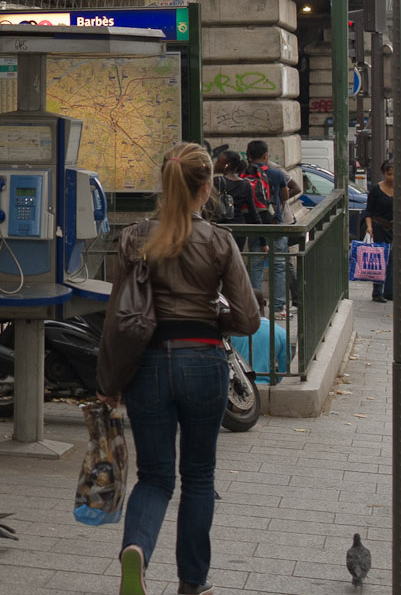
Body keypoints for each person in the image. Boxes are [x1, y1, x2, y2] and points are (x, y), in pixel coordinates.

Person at [96, 142, 258, 595]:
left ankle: (137, 551)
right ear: (205, 188)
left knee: (155, 477)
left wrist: (109, 384)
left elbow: (118, 317)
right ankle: (193, 582)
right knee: (199, 476)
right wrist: (214, 315)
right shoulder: (220, 240)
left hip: (148, 365)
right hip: (204, 361)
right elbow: (248, 319)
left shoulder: (133, 238)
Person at [246, 140, 298, 318]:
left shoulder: (244, 174)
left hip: (254, 225)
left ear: (248, 155)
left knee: (255, 264)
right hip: (275, 224)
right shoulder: (276, 173)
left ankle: (255, 307)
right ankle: (278, 309)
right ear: (266, 156)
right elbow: (284, 197)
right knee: (279, 265)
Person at [364, 159, 396, 303]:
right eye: (389, 174)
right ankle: (377, 292)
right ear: (384, 173)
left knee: (392, 260)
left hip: (394, 228)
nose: (392, 177)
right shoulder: (376, 190)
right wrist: (369, 227)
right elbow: (368, 211)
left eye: (395, 174)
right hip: (379, 227)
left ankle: (389, 291)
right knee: (379, 259)